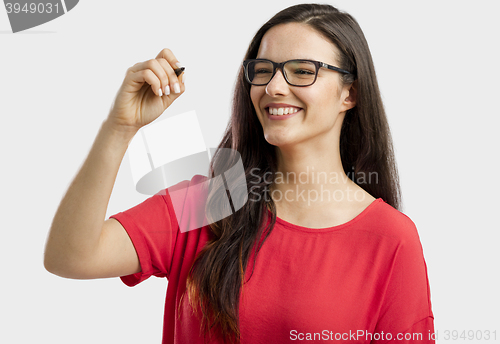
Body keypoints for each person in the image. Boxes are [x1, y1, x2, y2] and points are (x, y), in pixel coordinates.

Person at [44, 3, 435, 344]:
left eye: (302, 71)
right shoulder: (209, 203)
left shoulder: (391, 240)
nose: (274, 87)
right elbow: (71, 256)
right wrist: (120, 127)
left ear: (349, 94)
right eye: (263, 70)